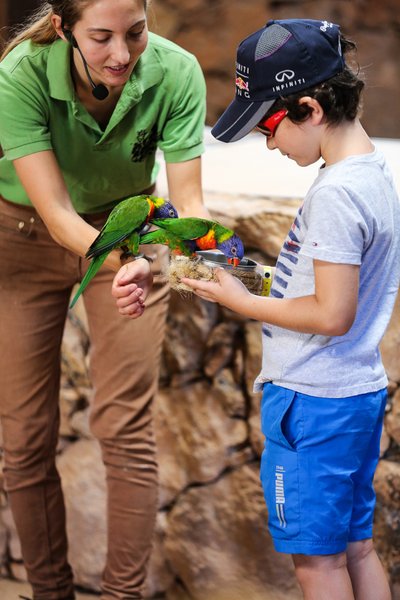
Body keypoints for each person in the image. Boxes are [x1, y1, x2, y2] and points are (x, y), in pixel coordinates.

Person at [180, 18, 400, 600]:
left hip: (312, 402)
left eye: (269, 127)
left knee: (317, 565)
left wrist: (246, 303)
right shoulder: (369, 173)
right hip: (352, 394)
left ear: (309, 108)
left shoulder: (335, 193)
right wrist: (260, 280)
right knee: (356, 548)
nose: (268, 143)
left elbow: (332, 315)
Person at [0, 0, 207, 598]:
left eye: (136, 32)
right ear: (63, 28)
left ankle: (122, 596)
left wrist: (169, 256)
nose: (122, 54)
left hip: (134, 235)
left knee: (125, 425)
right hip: (25, 237)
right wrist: (124, 262)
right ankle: (50, 592)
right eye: (101, 38)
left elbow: (190, 203)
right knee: (25, 436)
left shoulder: (177, 71)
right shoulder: (19, 75)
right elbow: (60, 214)